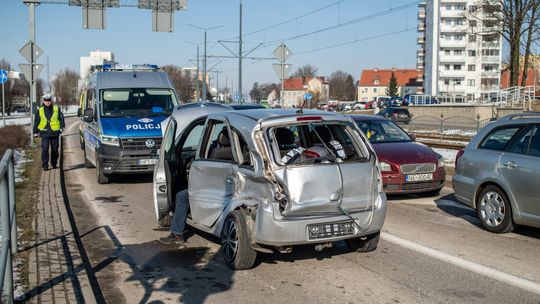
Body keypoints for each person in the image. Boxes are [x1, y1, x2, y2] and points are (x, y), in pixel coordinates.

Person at [33, 94, 65, 171]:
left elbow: (61, 118)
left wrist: (61, 127)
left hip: (54, 132)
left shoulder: (56, 109)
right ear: (43, 101)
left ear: (51, 101)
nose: (47, 102)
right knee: (45, 149)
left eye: (48, 101)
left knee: (55, 150)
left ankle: (54, 163)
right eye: (46, 101)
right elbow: (36, 121)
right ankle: (45, 165)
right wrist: (35, 132)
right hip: (44, 133)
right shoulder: (39, 110)